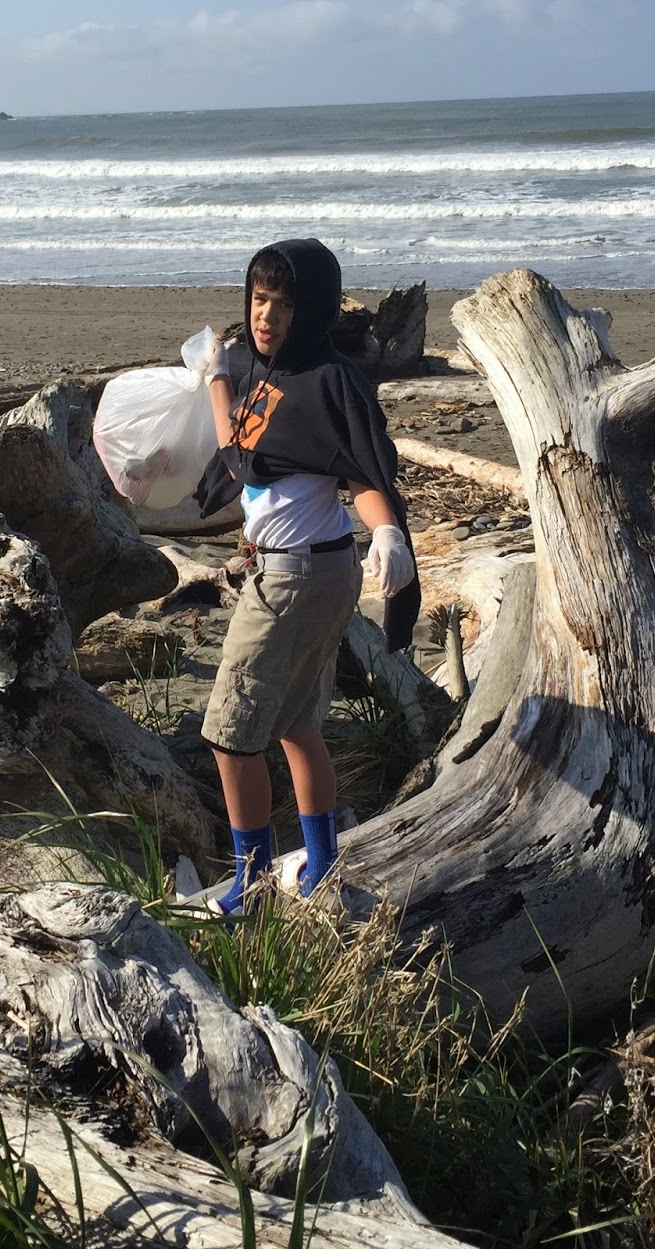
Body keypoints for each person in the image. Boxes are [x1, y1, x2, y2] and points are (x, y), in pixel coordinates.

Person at [192, 239, 419, 913]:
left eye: (286, 303)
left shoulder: (323, 379)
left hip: (294, 583)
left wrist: (387, 529)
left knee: (230, 736)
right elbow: (240, 449)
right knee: (296, 723)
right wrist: (215, 379)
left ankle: (253, 884)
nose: (268, 315)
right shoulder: (276, 375)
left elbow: (362, 472)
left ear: (312, 307)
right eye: (260, 299)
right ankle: (320, 867)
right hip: (316, 572)